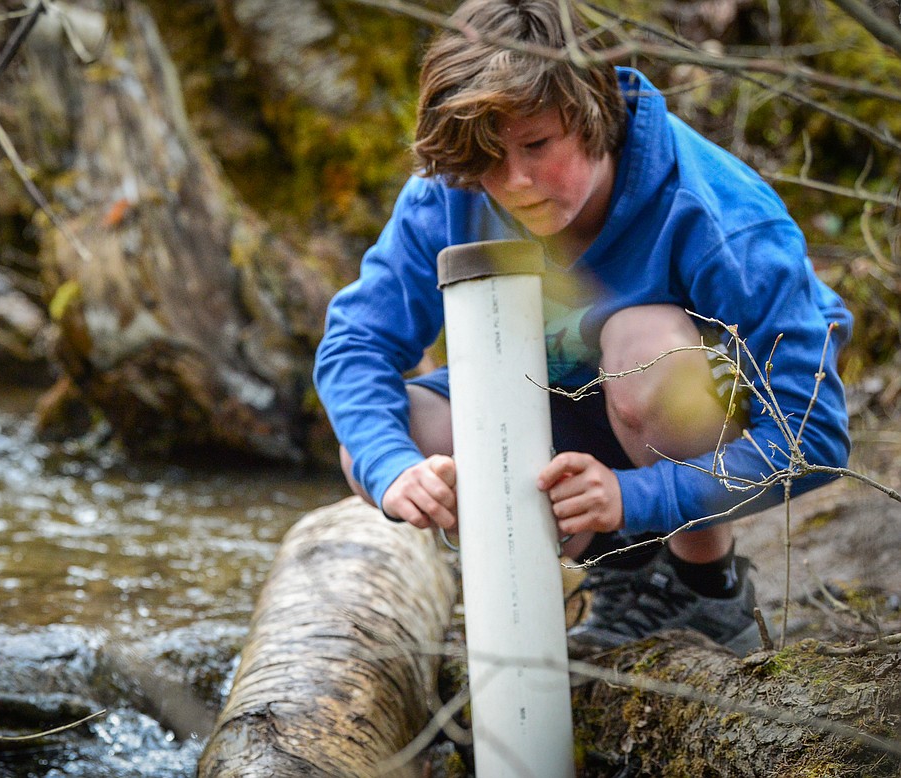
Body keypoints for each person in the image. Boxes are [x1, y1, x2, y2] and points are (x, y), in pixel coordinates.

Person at [312, 0, 852, 656]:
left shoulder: (717, 210)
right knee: (376, 437)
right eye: (488, 155)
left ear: (593, 111)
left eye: (537, 145)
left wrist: (633, 497)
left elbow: (810, 434)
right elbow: (357, 344)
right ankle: (612, 578)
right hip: (553, 393)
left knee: (643, 345)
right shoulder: (451, 190)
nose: (514, 182)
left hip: (688, 392)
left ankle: (701, 583)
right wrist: (393, 469)